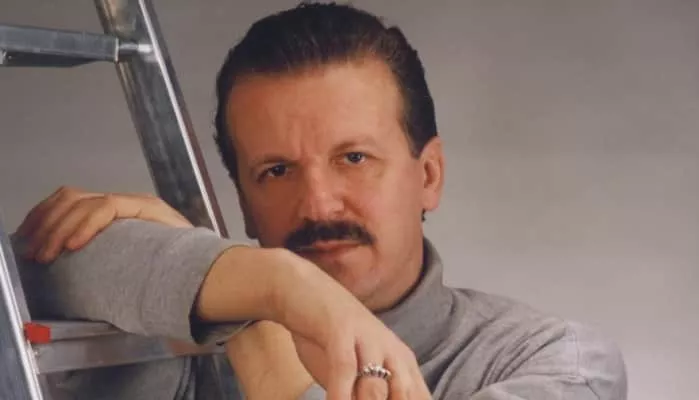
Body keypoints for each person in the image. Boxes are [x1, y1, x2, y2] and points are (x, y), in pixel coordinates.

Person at [15, 3, 627, 399]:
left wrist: (257, 326)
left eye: (353, 158)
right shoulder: (177, 334)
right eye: (277, 170)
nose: (318, 205)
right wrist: (279, 287)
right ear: (244, 202)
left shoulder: (558, 363)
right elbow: (41, 265)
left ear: (429, 175)